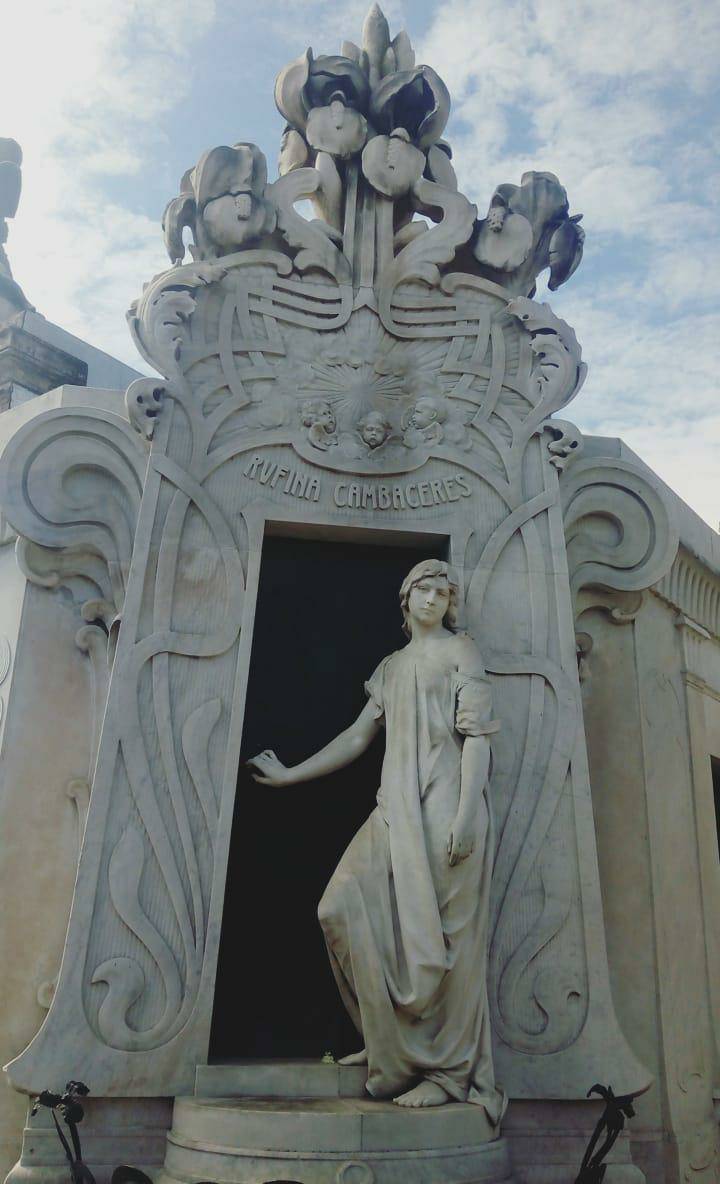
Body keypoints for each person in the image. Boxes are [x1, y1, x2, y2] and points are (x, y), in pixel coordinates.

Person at [248, 559, 505, 1119]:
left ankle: (446, 1073)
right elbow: (359, 735)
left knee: (443, 948)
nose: (434, 599)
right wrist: (291, 774)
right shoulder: (391, 667)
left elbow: (478, 739)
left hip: (444, 805)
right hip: (396, 806)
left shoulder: (462, 653)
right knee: (339, 907)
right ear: (406, 598)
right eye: (424, 590)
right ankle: (386, 1037)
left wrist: (464, 815)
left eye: (443, 592)